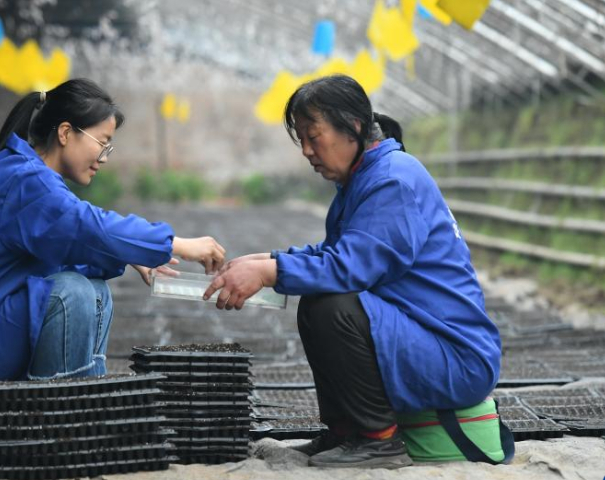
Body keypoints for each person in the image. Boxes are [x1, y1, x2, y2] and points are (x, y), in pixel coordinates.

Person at [204, 75, 501, 469]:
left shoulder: (392, 180)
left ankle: (379, 440)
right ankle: (346, 430)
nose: (308, 151)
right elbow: (338, 254)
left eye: (314, 136)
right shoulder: (365, 177)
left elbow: (349, 268)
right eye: (302, 140)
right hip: (421, 336)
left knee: (332, 305)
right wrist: (267, 260)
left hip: (456, 356)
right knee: (318, 299)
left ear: (354, 127)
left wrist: (272, 271)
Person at [0, 78, 225, 382]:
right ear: (64, 133)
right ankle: (64, 423)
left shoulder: (21, 171)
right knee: (71, 293)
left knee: (95, 290)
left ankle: (82, 408)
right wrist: (177, 244)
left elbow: (59, 251)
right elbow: (87, 226)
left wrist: (129, 253)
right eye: (102, 143)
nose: (103, 158)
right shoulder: (26, 182)